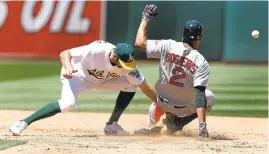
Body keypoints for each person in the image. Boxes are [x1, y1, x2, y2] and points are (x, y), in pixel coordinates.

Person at [9, 40, 157, 136]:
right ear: (113, 56)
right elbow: (65, 53)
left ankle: (112, 125)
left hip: (102, 80)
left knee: (131, 84)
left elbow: (144, 85)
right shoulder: (96, 51)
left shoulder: (128, 65)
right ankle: (23, 122)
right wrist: (68, 68)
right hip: (76, 76)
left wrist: (162, 104)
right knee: (68, 104)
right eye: (122, 63)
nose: (125, 67)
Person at [133, 4, 215, 138]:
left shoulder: (168, 45)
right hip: (185, 107)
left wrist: (145, 18)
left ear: (183, 35)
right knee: (210, 97)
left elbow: (139, 43)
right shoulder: (201, 62)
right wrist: (202, 127)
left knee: (156, 107)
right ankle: (179, 123)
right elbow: (200, 95)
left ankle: (151, 126)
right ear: (199, 39)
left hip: (161, 102)